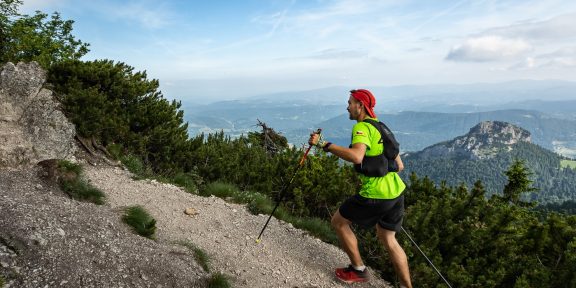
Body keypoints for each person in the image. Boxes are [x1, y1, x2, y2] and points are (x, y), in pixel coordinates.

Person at [308, 89, 412, 287]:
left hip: (376, 193)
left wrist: (323, 144)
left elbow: (356, 156)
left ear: (360, 106)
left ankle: (358, 270)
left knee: (339, 222)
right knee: (388, 239)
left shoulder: (362, 128)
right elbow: (399, 165)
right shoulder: (380, 126)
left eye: (350, 102)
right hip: (396, 191)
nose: (347, 106)